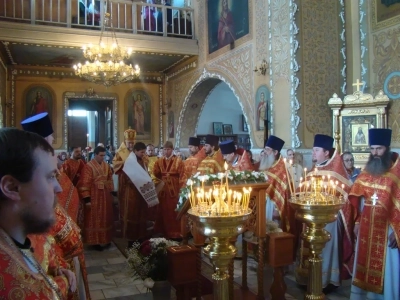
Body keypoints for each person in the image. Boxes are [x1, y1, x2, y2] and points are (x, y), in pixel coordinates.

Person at [0, 128, 76, 299]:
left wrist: (54, 274)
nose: (59, 188)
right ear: (11, 187)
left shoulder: (15, 240)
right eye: (50, 177)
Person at [21, 112, 89, 299]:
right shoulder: (36, 170)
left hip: (64, 253)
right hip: (57, 255)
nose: (57, 187)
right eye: (50, 138)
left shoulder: (47, 164)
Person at [295, 134, 354, 292]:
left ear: (326, 153)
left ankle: (325, 280)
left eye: (316, 150)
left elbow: (347, 200)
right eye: (313, 150)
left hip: (330, 222)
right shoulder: (313, 171)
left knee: (326, 249)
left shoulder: (337, 173)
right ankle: (308, 278)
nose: (313, 153)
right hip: (309, 219)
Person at [349, 128, 399, 299]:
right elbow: (358, 200)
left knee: (388, 275)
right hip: (366, 232)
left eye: (379, 148)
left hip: (388, 233)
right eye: (372, 149)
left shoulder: (397, 173)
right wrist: (356, 223)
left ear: (387, 148)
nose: (375, 153)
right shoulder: (367, 171)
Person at [119, 142, 159, 247]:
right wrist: (138, 181)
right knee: (133, 215)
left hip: (141, 193)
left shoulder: (143, 161)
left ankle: (141, 237)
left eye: (144, 152)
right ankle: (131, 240)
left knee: (142, 214)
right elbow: (125, 178)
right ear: (135, 151)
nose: (143, 154)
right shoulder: (129, 162)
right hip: (132, 193)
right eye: (142, 152)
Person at [77, 146, 114, 251]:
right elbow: (84, 183)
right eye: (101, 155)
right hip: (94, 196)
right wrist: (87, 199)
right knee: (94, 218)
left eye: (104, 155)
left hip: (105, 196)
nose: (103, 157)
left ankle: (105, 239)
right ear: (95, 155)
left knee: (105, 217)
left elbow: (110, 179)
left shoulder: (106, 166)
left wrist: (111, 191)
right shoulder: (88, 167)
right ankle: (95, 241)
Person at [257, 136, 292, 232]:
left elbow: (284, 193)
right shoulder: (266, 165)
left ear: (275, 152)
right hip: (262, 204)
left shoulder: (282, 170)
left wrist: (277, 210)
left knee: (272, 230)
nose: (264, 152)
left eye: (267, 150)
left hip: (272, 207)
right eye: (264, 149)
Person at [153, 141, 185, 239]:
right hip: (163, 190)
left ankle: (175, 232)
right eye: (165, 149)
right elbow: (155, 174)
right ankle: (161, 231)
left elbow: (183, 176)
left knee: (172, 210)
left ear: (172, 150)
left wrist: (182, 190)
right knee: (162, 210)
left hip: (174, 190)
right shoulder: (159, 161)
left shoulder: (178, 161)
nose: (166, 151)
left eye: (168, 149)